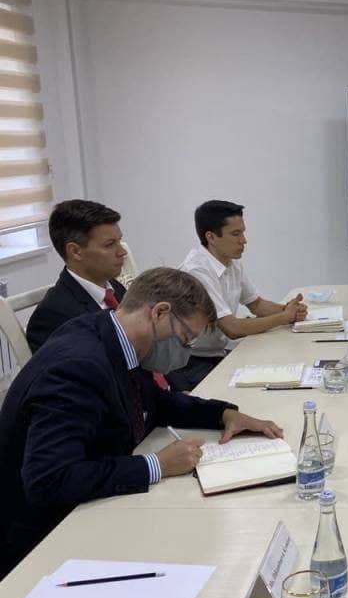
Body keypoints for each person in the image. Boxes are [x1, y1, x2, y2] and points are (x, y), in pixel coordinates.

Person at [0, 268, 284, 578]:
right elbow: (48, 479)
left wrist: (223, 414)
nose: (186, 352)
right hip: (40, 539)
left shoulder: (113, 335)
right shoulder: (77, 367)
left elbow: (154, 402)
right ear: (160, 312)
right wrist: (156, 465)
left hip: (89, 505)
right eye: (186, 339)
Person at [174, 200, 307, 391]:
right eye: (236, 234)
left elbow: (256, 304)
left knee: (276, 364)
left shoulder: (231, 262)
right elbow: (232, 328)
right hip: (189, 363)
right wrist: (285, 317)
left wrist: (290, 310)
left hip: (216, 354)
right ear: (211, 237)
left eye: (243, 232)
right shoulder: (197, 271)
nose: (244, 240)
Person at [26, 200, 128, 353]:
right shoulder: (52, 316)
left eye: (119, 241)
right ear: (75, 251)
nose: (122, 252)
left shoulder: (115, 288)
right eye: (109, 245)